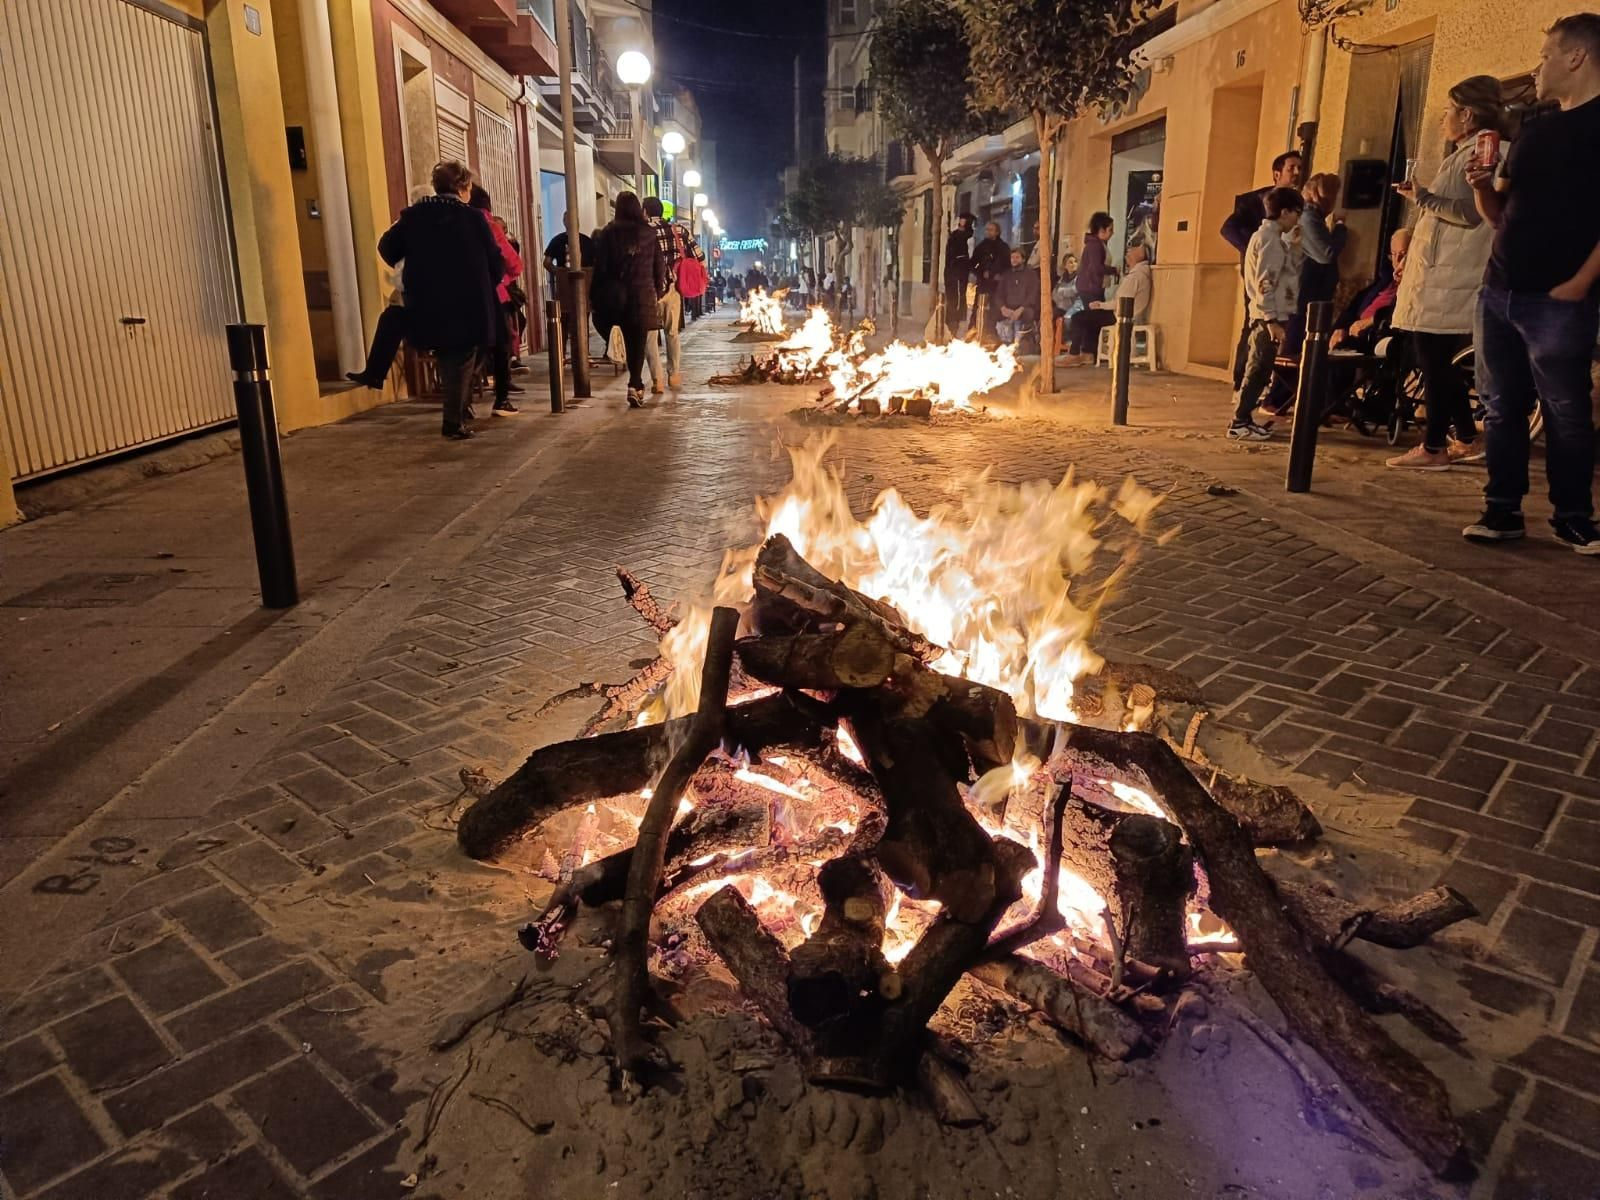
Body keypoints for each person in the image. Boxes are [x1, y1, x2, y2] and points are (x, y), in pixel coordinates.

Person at [1464, 14, 1600, 551]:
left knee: (1566, 410)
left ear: (1576, 57)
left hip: (1559, 298)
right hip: (1499, 288)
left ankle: (1572, 515)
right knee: (1501, 404)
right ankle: (1502, 510)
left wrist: (1581, 282)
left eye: (1545, 56)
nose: (1536, 67)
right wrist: (1480, 190)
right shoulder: (1536, 127)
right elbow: (1501, 212)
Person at [1385, 76, 1507, 470]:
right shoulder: (1471, 152)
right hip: (1449, 276)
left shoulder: (1478, 153)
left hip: (1451, 278)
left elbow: (1470, 213)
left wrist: (1420, 195)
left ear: (1467, 115)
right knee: (1439, 361)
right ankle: (1466, 437)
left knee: (1435, 360)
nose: (1442, 121)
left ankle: (1435, 445)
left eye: (1447, 112)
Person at [377, 161, 502, 440]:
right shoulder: (472, 219)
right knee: (463, 357)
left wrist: (414, 267)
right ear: (462, 187)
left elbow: (387, 246)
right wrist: (484, 282)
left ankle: (455, 416)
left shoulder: (414, 216)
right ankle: (453, 420)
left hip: (427, 301)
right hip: (466, 301)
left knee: (451, 357)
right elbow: (495, 260)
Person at [1226, 186, 1305, 442]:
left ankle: (1245, 419)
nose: (1298, 218)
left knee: (1259, 367)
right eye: (1297, 212)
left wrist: (1293, 247)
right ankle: (1239, 422)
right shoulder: (1269, 239)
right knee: (1258, 369)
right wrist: (1271, 318)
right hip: (1267, 316)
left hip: (1266, 313)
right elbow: (1266, 280)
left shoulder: (1268, 238)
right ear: (1284, 212)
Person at [1222, 151, 1305, 388]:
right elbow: (1229, 228)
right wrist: (1256, 250)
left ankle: (1266, 384)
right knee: (1257, 327)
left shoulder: (1299, 204)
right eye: (1292, 168)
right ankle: (1243, 383)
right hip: (1264, 277)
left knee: (1276, 334)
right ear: (1277, 174)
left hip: (1287, 280)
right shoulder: (1257, 201)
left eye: (1299, 168)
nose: (1297, 173)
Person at [347, 185, 431, 390]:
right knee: (391, 318)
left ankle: (374, 373)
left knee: (393, 318)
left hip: (439, 308)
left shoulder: (413, 222)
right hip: (427, 302)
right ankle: (375, 373)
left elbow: (386, 245)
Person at [591, 191, 667, 409]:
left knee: (617, 334)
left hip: (615, 298)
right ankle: (635, 384)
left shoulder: (608, 232)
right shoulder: (649, 234)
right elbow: (658, 267)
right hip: (642, 296)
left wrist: (595, 296)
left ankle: (621, 360)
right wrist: (657, 291)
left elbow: (601, 268)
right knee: (638, 343)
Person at [642, 195, 707, 393]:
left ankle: (657, 380)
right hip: (672, 288)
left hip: (649, 289)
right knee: (672, 333)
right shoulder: (678, 230)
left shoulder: (642, 231)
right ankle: (674, 374)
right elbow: (700, 257)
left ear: (645, 211)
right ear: (662, 212)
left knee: (650, 336)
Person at [468, 185, 523, 415]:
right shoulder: (489, 226)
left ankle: (462, 404)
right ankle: (501, 400)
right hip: (493, 296)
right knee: (500, 344)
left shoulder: (449, 223)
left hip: (458, 298)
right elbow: (514, 264)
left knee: (470, 351)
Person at [1331, 228, 1412, 353]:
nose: (1396, 261)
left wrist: (1369, 321)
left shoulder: (1413, 286)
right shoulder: (1385, 279)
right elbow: (1354, 305)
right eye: (1393, 254)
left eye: (1403, 254)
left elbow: (1399, 314)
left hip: (1374, 339)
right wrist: (1341, 328)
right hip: (1353, 335)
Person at [1062, 212, 1116, 364]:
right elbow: (1095, 268)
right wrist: (1113, 270)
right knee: (1087, 319)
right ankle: (1077, 353)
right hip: (1091, 289)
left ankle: (1088, 353)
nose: (1112, 233)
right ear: (1102, 229)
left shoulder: (1098, 245)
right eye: (1110, 229)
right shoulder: (1095, 245)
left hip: (1094, 288)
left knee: (1093, 321)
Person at [543, 214, 596, 366]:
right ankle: (582, 354)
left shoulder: (558, 240)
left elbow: (546, 262)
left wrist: (559, 273)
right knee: (580, 322)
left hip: (566, 289)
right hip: (582, 289)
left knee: (565, 323)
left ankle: (563, 355)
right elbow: (595, 264)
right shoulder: (586, 241)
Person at [970, 221, 1011, 343]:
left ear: (997, 232)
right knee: (978, 308)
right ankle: (974, 332)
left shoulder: (1003, 248)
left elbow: (1008, 267)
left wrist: (1000, 275)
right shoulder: (981, 247)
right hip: (983, 284)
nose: (988, 232)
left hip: (997, 286)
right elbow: (973, 264)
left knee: (994, 310)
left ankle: (992, 335)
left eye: (991, 230)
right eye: (987, 229)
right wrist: (981, 273)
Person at [994, 247, 1040, 348]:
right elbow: (999, 294)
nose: (1014, 260)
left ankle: (1021, 346)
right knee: (995, 313)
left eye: (1017, 257)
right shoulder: (1006, 275)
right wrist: (1003, 308)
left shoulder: (1031, 274)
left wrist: (1020, 309)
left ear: (1023, 259)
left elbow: (1033, 295)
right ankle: (1003, 345)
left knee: (1028, 314)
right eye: (1012, 257)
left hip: (1024, 308)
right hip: (1008, 308)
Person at [944, 212, 976, 336]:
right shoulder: (953, 235)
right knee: (952, 297)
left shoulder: (969, 237)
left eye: (964, 220)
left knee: (959, 297)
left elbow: (970, 254)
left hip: (961, 269)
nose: (961, 222)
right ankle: (950, 323)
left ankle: (956, 324)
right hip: (951, 269)